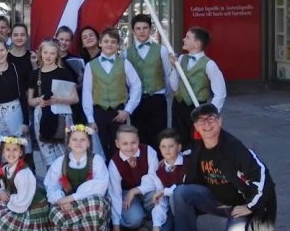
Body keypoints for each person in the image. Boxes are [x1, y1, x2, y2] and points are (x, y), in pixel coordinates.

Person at [167, 104, 278, 231]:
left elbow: (263, 176)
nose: (206, 124)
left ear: (220, 121)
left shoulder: (234, 147)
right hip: (216, 199)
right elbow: (186, 166)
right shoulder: (198, 147)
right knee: (181, 193)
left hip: (240, 205)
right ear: (195, 126)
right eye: (201, 121)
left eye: (211, 118)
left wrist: (250, 206)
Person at [44, 124, 110, 231]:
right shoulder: (60, 162)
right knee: (53, 212)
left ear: (89, 143)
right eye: (74, 139)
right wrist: (60, 200)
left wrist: (72, 198)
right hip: (67, 204)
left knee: (96, 202)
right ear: (68, 143)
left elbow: (100, 186)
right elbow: (51, 185)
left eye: (83, 139)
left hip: (87, 203)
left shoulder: (96, 160)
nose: (78, 143)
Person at [82, 28, 142, 160]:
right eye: (106, 41)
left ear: (118, 45)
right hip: (99, 112)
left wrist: (127, 110)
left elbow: (137, 86)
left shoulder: (124, 63)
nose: (109, 44)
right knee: (100, 150)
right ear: (100, 43)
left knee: (120, 147)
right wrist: (90, 119)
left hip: (119, 112)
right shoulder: (90, 66)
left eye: (113, 42)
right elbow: (87, 92)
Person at [169, 27, 227, 149]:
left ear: (197, 43)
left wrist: (210, 113)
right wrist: (174, 68)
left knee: (197, 141)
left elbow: (220, 92)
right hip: (178, 105)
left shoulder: (209, 64)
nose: (183, 39)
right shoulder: (181, 58)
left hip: (197, 107)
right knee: (179, 140)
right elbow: (174, 86)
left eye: (187, 37)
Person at [108, 125, 165, 231]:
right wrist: (116, 228)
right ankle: (144, 223)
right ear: (117, 144)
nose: (130, 147)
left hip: (147, 189)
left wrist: (134, 191)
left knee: (158, 197)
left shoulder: (148, 151)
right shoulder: (114, 162)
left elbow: (154, 178)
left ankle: (152, 223)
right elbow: (115, 194)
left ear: (138, 140)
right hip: (125, 192)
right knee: (134, 220)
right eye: (125, 143)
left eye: (133, 143)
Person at [124, 14, 172, 151]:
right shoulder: (126, 53)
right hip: (137, 101)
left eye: (145, 28)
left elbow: (168, 74)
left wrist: (163, 93)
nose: (142, 31)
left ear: (150, 29)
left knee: (160, 136)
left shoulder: (161, 50)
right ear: (133, 31)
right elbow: (126, 80)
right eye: (138, 28)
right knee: (139, 136)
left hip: (157, 99)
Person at [28, 40, 78, 167]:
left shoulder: (64, 73)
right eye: (45, 52)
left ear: (57, 55)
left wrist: (58, 100)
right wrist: (38, 100)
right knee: (47, 155)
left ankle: (66, 176)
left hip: (62, 116)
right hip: (41, 116)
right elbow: (30, 101)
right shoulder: (35, 74)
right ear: (40, 53)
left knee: (65, 152)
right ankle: (51, 177)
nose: (48, 56)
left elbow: (75, 98)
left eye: (52, 53)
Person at [0, 37, 29, 163]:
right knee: (0, 154)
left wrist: (26, 121)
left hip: (16, 113)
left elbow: (23, 96)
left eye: (2, 50)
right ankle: (1, 175)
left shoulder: (16, 69)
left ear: (7, 50)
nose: (0, 54)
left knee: (18, 149)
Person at [143, 128, 186, 231]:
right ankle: (151, 226)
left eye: (171, 146)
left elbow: (185, 187)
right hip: (169, 208)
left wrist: (165, 191)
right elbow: (160, 201)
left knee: (176, 195)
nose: (167, 150)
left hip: (186, 208)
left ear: (179, 147)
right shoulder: (159, 170)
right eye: (163, 147)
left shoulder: (187, 163)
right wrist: (156, 228)